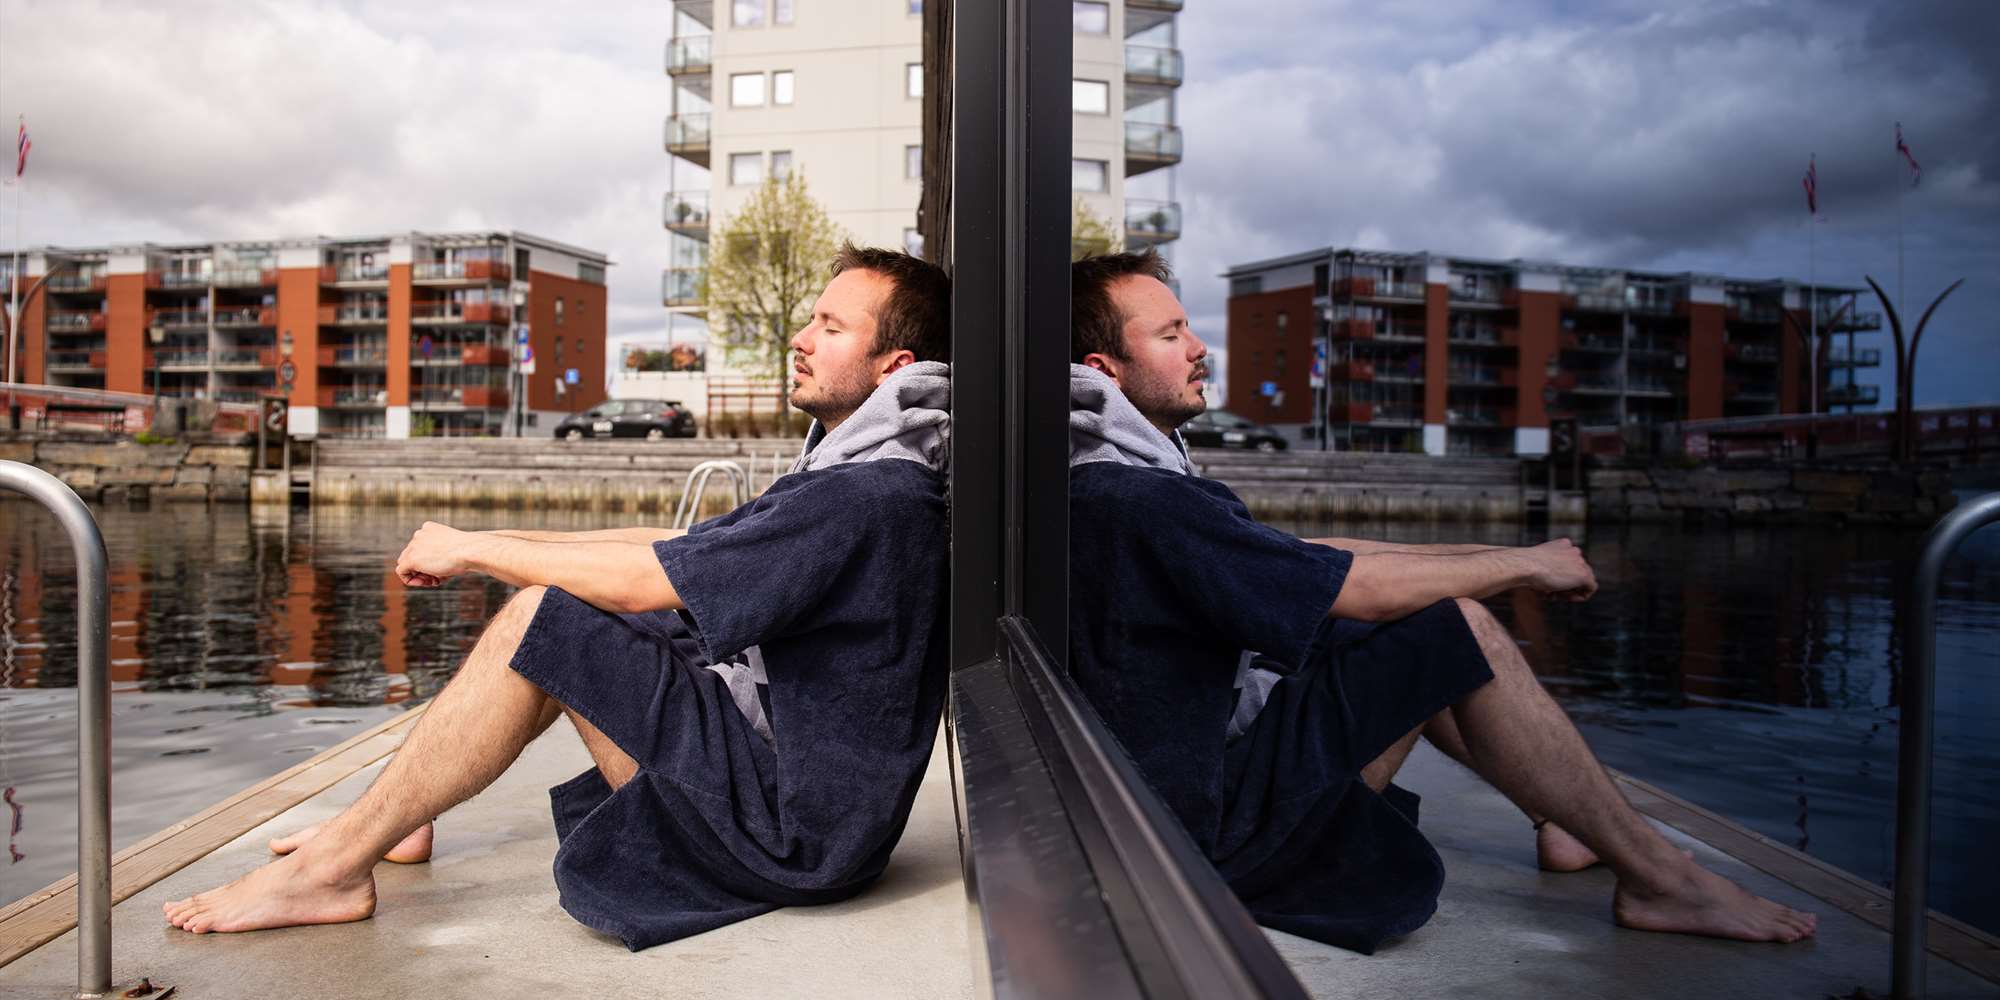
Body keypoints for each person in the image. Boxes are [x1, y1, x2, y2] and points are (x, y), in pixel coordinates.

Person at [164, 246, 954, 949]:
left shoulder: (867, 496)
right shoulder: (858, 474)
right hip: (801, 803)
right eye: (810, 319)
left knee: (539, 623)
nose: (800, 338)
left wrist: (473, 552)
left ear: (894, 367)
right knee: (576, 605)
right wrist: (487, 540)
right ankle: (388, 822)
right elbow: (669, 547)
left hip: (793, 839)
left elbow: (645, 578)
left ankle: (332, 871)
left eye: (830, 326)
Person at [1064, 248, 1816, 953]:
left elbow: (1309, 556)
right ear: (1106, 370)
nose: (1200, 347)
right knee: (1458, 628)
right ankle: (1662, 880)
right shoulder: (1134, 498)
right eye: (1171, 334)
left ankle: (1561, 817)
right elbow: (1360, 588)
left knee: (1405, 629)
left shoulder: (1113, 476)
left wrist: (1490, 556)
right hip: (1198, 836)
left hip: (1155, 797)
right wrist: (1524, 567)